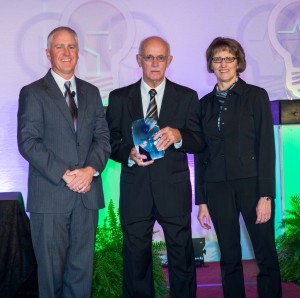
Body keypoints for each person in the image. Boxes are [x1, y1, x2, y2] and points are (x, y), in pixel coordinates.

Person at [106, 36, 204, 298]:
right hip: (135, 189)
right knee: (135, 261)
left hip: (174, 190)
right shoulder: (118, 98)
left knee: (181, 259)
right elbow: (109, 141)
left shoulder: (186, 97)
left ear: (169, 61)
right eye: (149, 57)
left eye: (161, 57)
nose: (155, 63)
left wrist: (178, 135)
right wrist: (127, 152)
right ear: (139, 60)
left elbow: (199, 140)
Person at [17, 26, 111, 297]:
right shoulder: (33, 92)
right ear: (48, 53)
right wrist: (67, 174)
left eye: (71, 47)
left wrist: (90, 170)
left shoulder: (92, 92)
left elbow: (103, 138)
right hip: (51, 197)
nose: (66, 52)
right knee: (50, 276)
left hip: (87, 197)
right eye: (60, 47)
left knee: (81, 274)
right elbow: (28, 142)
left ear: (78, 53)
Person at [195, 37, 282, 298]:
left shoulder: (256, 96)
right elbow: (201, 154)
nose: (223, 64)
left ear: (238, 62)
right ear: (211, 63)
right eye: (217, 59)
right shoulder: (203, 104)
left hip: (252, 185)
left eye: (228, 58)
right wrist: (202, 201)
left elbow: (266, 147)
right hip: (217, 187)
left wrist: (266, 195)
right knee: (229, 256)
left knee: (265, 253)